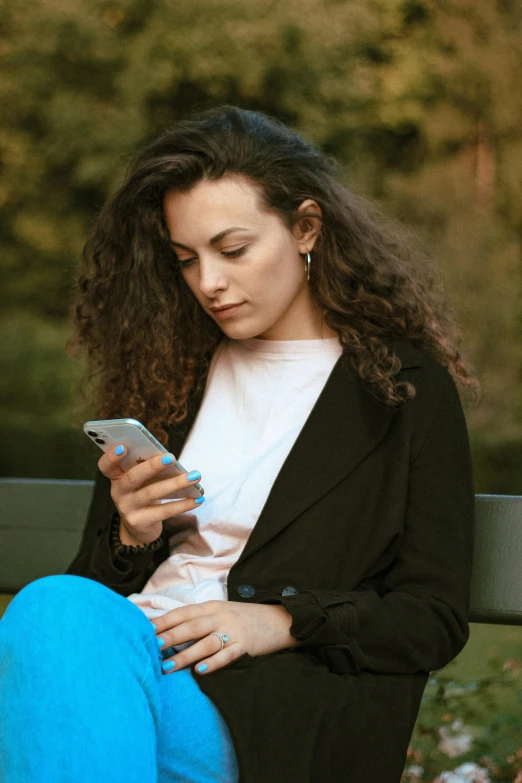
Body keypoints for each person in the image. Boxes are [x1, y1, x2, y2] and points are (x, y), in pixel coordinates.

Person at [0, 105, 479, 783]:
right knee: (60, 616)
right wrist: (132, 536)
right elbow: (94, 601)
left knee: (51, 614)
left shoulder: (403, 390)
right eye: (186, 259)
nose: (208, 283)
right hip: (124, 668)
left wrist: (282, 621)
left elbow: (431, 616)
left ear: (306, 227)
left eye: (232, 250)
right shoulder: (173, 372)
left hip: (261, 709)